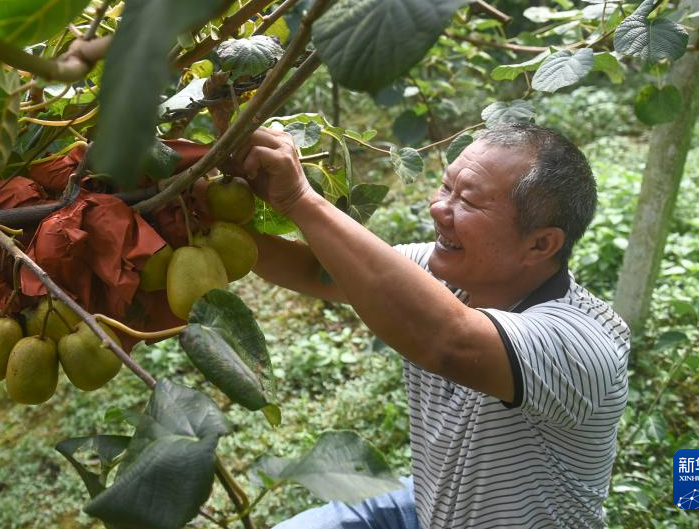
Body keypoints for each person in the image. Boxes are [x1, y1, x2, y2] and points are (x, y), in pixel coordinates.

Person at [232, 122, 631, 529]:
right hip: (422, 507)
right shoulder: (449, 272)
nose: (437, 208)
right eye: (446, 188)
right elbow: (322, 270)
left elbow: (448, 341)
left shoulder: (584, 343)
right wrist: (212, 220)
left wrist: (301, 198)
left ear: (540, 244)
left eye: (469, 202)